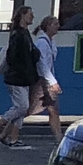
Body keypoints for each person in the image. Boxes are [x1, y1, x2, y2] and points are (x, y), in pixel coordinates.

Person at [0, 6, 40, 148]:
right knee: (22, 107)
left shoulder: (23, 33)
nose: (33, 17)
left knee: (22, 107)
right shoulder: (18, 35)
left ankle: (13, 139)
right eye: (30, 14)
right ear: (22, 15)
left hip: (22, 77)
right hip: (17, 78)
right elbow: (15, 57)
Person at [34, 16, 66, 145]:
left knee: (52, 109)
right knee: (52, 109)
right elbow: (43, 64)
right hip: (44, 81)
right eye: (55, 24)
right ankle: (3, 130)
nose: (58, 26)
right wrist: (53, 81)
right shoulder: (42, 43)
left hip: (46, 80)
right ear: (48, 26)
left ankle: (59, 137)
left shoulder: (49, 42)